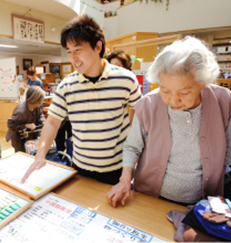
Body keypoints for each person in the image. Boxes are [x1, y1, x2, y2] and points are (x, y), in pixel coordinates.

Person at [106, 36, 231, 208]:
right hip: (153, 197)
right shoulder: (148, 105)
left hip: (202, 200)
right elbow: (132, 146)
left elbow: (228, 148)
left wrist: (218, 188)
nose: (173, 100)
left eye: (184, 93)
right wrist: (124, 180)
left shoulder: (224, 101)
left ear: (202, 83)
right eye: (165, 90)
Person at [21, 15, 142, 185]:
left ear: (98, 46)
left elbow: (140, 115)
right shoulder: (66, 86)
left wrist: (131, 157)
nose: (73, 58)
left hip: (116, 169)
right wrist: (41, 154)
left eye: (78, 49)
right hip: (80, 167)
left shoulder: (126, 79)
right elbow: (52, 123)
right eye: (69, 51)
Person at [6, 86, 46, 153]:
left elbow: (40, 114)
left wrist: (43, 121)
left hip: (30, 136)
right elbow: (10, 124)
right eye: (41, 100)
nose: (42, 102)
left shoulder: (36, 106)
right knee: (22, 156)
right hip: (19, 138)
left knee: (32, 154)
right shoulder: (20, 111)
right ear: (35, 101)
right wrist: (26, 125)